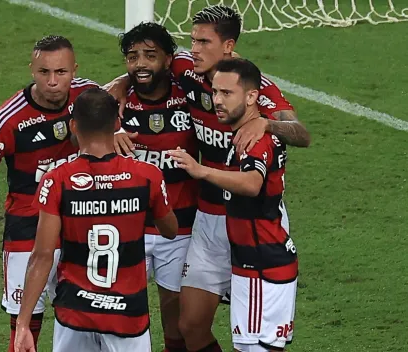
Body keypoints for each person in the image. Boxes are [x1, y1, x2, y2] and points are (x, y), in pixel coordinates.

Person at [107, 6, 308, 351]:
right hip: (208, 220)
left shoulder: (256, 86)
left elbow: (301, 133)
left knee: (254, 339)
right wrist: (120, 85)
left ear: (228, 45)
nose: (194, 49)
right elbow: (145, 67)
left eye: (203, 41)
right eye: (192, 40)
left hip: (254, 221)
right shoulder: (187, 69)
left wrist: (267, 123)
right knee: (190, 325)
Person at [14, 87, 178, 352]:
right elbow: (170, 230)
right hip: (128, 314)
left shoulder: (57, 180)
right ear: (116, 123)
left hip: (75, 311)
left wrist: (23, 323)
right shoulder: (147, 175)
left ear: (73, 125)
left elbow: (42, 255)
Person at [0, 35, 98, 351]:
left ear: (74, 70)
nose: (53, 82)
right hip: (28, 223)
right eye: (43, 72)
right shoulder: (9, 119)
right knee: (24, 322)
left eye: (61, 72)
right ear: (32, 70)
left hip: (79, 219)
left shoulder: (89, 95)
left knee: (86, 315)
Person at [169, 58, 298, 352]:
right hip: (254, 261)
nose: (217, 101)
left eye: (226, 94)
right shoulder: (246, 134)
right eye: (215, 93)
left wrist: (201, 171)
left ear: (252, 97)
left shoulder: (256, 140)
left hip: (262, 265)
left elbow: (252, 183)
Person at [118, 22, 198, 352]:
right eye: (132, 56)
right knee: (120, 313)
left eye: (150, 55)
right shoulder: (116, 106)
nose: (140, 64)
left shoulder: (191, 98)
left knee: (176, 322)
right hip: (130, 224)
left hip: (179, 227)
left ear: (168, 59)